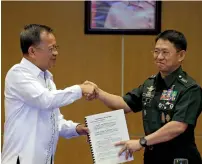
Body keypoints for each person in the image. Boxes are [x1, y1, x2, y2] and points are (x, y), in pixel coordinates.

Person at [85, 30, 202, 164]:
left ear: (181, 55)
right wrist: (99, 93)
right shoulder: (150, 84)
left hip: (178, 159)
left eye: (165, 52)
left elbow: (178, 126)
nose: (159, 57)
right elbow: (123, 104)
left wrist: (142, 142)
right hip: (152, 158)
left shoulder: (190, 89)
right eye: (156, 51)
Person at [1, 24, 96, 164]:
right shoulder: (18, 73)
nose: (55, 53)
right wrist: (80, 89)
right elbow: (45, 100)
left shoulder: (47, 79)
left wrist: (77, 129)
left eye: (56, 48)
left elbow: (55, 121)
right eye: (51, 49)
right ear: (32, 51)